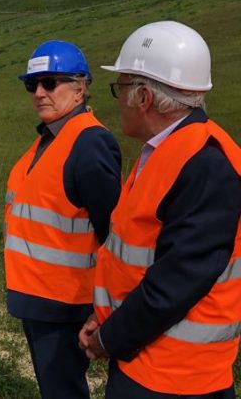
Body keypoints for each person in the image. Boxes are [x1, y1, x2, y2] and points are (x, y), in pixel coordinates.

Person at [79, 21, 241, 398]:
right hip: (145, 361)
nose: (116, 99)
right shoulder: (164, 152)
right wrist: (104, 317)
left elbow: (174, 284)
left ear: (144, 97)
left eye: (120, 87)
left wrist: (109, 337)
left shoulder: (206, 165)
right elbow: (134, 256)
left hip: (177, 378)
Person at [4, 40, 122, 398]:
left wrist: (105, 306)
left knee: (63, 392)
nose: (39, 93)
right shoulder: (49, 139)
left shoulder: (89, 143)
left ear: (81, 87)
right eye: (32, 85)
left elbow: (115, 235)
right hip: (36, 296)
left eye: (50, 82)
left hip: (66, 303)